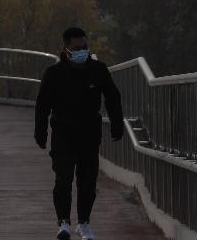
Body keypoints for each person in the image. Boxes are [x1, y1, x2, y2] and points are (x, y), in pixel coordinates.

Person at [34, 27, 125, 240]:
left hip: (89, 134)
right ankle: (63, 222)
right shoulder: (54, 73)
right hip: (63, 133)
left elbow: (112, 97)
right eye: (77, 48)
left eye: (84, 47)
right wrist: (40, 132)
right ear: (66, 49)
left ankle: (83, 223)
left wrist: (116, 124)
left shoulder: (98, 70)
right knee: (63, 178)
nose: (82, 51)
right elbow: (42, 105)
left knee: (87, 181)